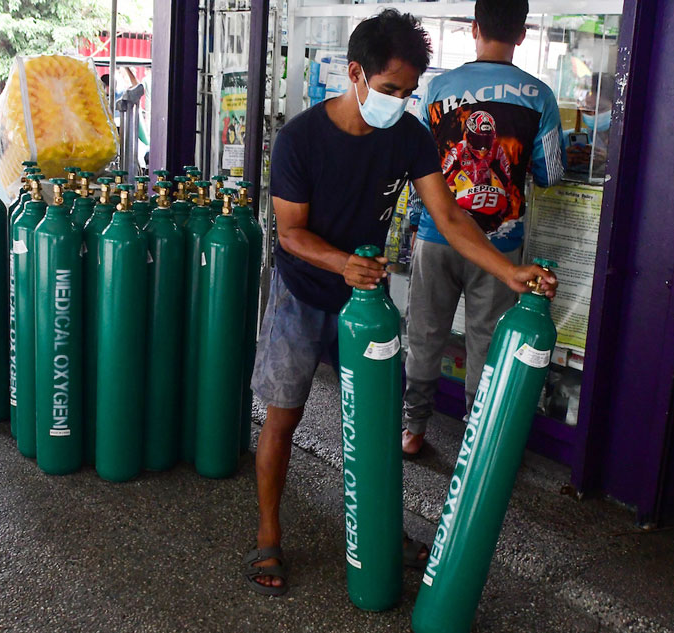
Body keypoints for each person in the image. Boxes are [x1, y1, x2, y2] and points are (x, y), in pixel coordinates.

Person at [244, 9, 557, 596]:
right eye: (391, 89)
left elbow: (449, 215)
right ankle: (268, 534)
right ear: (355, 73)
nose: (400, 101)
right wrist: (342, 263)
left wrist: (509, 270)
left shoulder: (409, 135)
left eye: (410, 91)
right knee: (283, 417)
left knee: (379, 425)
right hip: (302, 294)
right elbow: (289, 233)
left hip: (367, 306)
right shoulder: (300, 139)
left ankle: (383, 534)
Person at [401, 0, 566, 455]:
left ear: (474, 28)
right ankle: (476, 442)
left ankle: (413, 430)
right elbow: (551, 172)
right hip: (500, 249)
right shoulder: (539, 96)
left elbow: (417, 165)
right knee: (487, 344)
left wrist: (415, 224)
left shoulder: (437, 89)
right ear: (522, 34)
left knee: (424, 333)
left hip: (436, 235)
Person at [565, 73, 613, 176]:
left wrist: (608, 161)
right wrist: (564, 159)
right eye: (587, 110)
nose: (593, 115)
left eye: (600, 109)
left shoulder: (623, 143)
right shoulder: (566, 138)